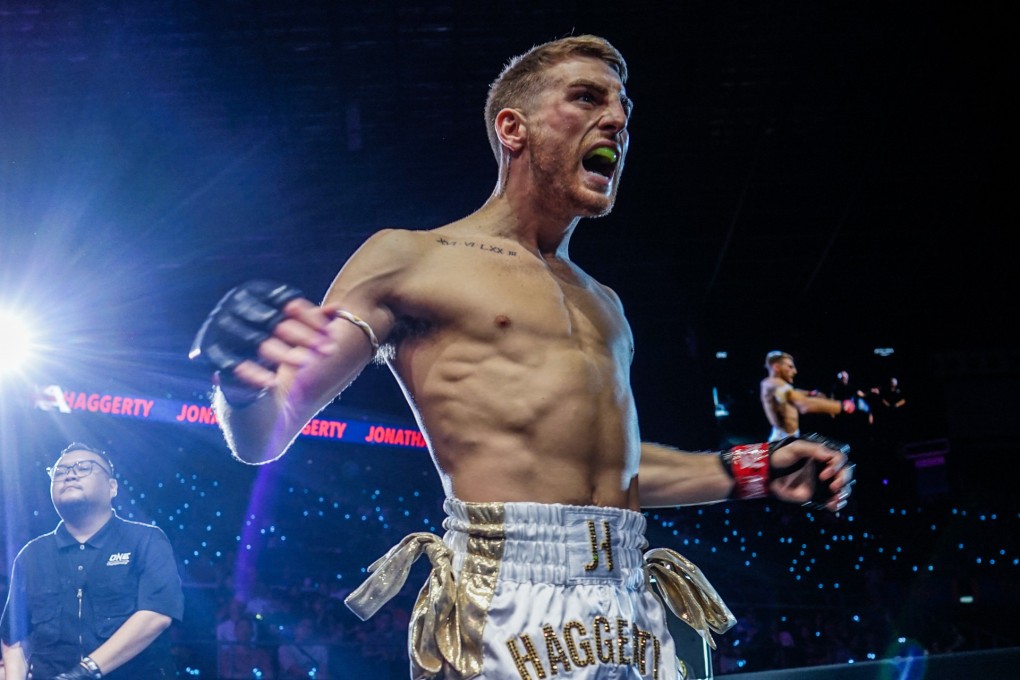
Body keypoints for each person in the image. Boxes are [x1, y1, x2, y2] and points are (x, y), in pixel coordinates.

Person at [190, 35, 854, 679]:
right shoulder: (411, 258)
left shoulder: (605, 302)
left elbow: (611, 475)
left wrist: (755, 468)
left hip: (630, 597)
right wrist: (237, 381)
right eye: (588, 98)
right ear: (515, 129)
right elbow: (267, 434)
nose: (617, 119)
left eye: (624, 107)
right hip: (507, 596)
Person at [0, 443, 185, 679]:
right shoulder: (32, 555)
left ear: (112, 487)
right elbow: (14, 637)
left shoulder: (146, 539)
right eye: (60, 472)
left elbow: (156, 614)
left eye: (84, 467)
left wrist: (85, 671)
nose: (70, 474)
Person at [760, 351, 856, 442]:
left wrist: (811, 393)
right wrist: (841, 406)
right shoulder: (772, 383)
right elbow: (803, 405)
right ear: (776, 367)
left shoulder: (778, 386)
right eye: (790, 366)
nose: (795, 371)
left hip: (789, 437)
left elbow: (794, 392)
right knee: (834, 456)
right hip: (781, 440)